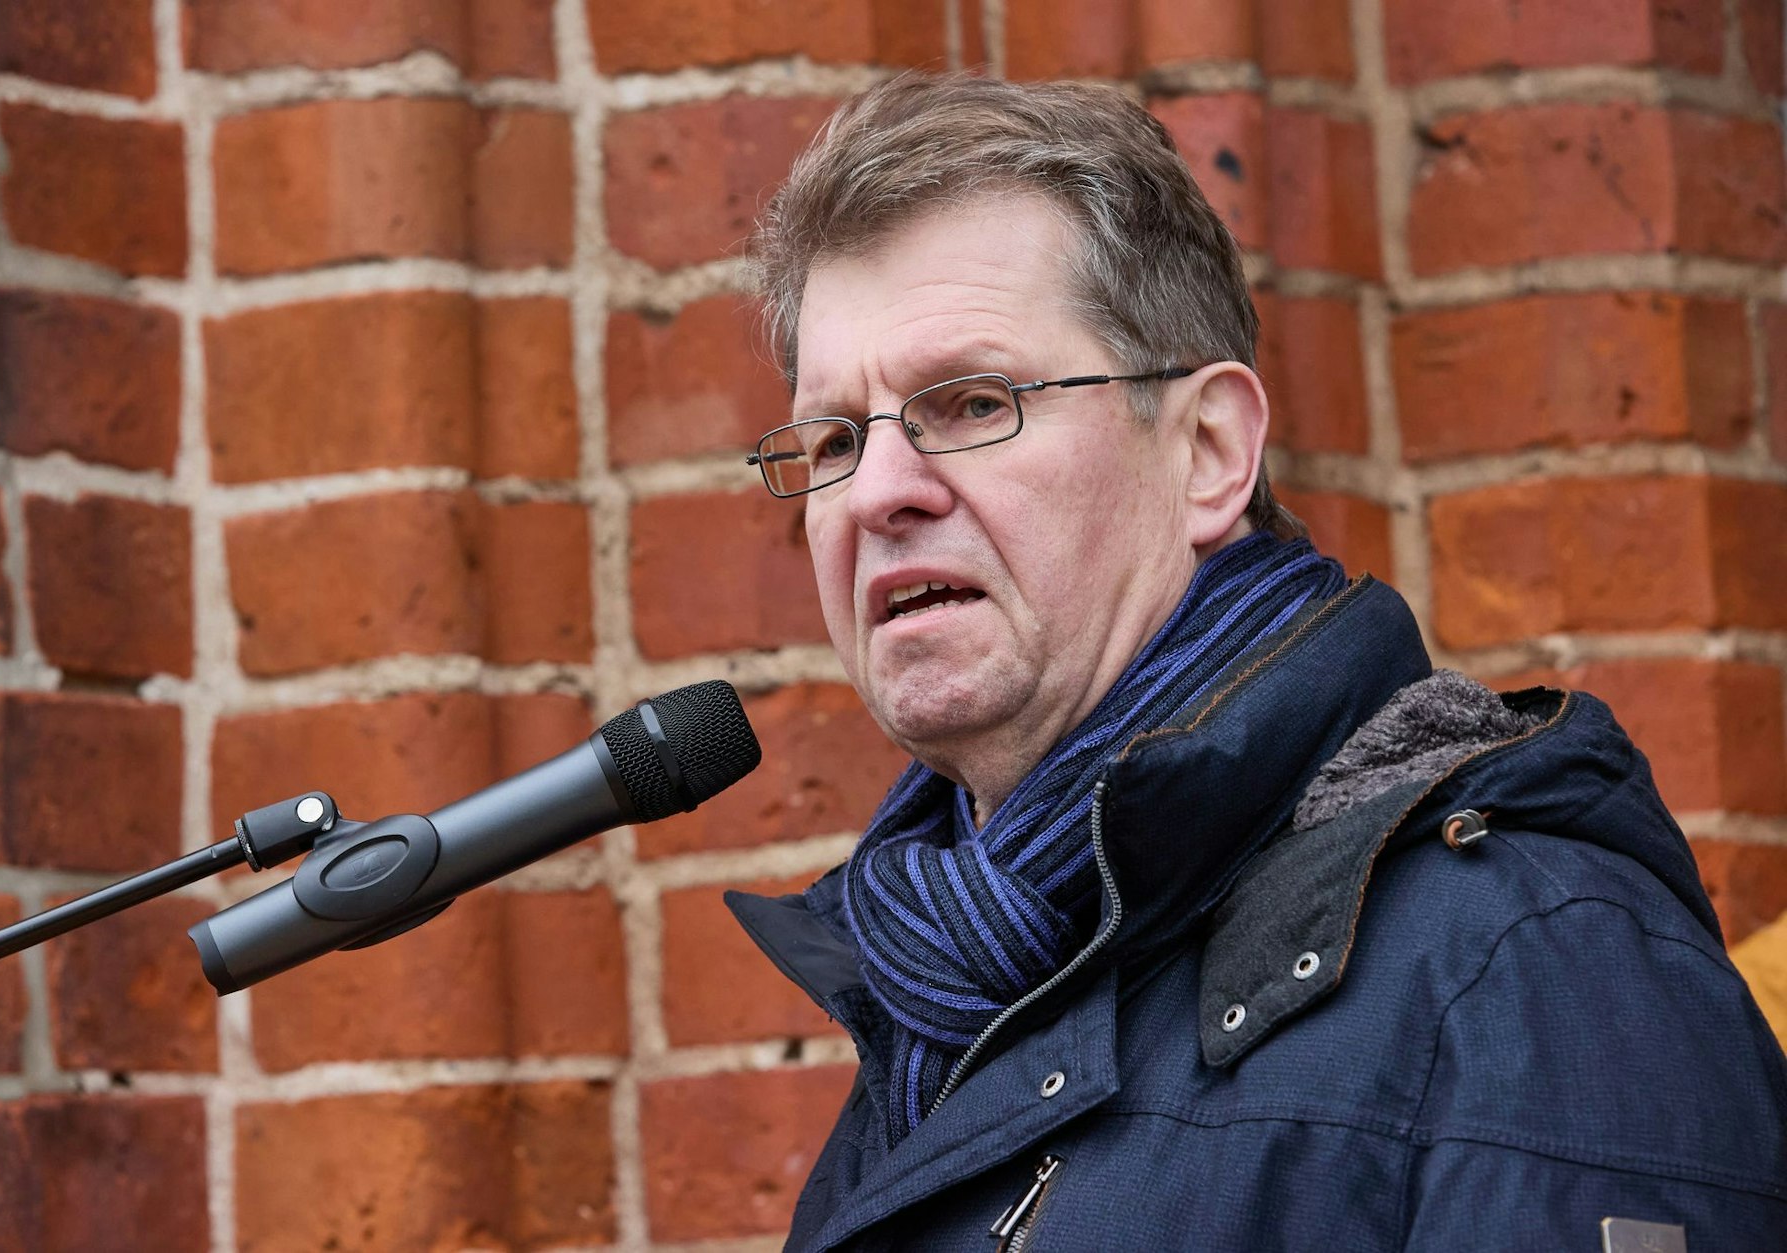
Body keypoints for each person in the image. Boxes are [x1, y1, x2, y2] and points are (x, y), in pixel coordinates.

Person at [725, 73, 1787, 1250]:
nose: (874, 489)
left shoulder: (1526, 965)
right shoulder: (940, 1000)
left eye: (971, 402)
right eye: (830, 438)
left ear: (1209, 451)